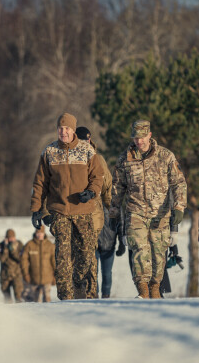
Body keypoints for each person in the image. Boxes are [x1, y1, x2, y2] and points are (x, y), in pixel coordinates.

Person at [30, 113, 103, 300]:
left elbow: (97, 177)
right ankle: (65, 297)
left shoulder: (87, 151)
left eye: (67, 129)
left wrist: (91, 192)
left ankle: (78, 281)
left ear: (73, 130)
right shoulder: (49, 152)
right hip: (59, 211)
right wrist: (37, 209)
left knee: (86, 253)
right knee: (63, 256)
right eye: (60, 129)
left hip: (83, 210)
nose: (63, 132)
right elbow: (40, 183)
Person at [111, 120, 187, 299]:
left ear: (150, 135)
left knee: (159, 253)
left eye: (142, 137)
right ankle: (143, 289)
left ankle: (155, 287)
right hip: (135, 212)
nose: (139, 141)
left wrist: (179, 206)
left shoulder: (165, 156)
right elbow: (117, 187)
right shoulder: (125, 158)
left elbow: (178, 183)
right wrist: (114, 212)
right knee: (139, 250)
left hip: (160, 213)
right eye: (136, 138)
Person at [75, 126, 121, 299]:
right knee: (82, 262)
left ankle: (94, 297)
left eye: (87, 140)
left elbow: (108, 187)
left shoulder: (98, 159)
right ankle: (83, 295)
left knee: (95, 264)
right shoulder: (70, 158)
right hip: (76, 217)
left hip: (96, 218)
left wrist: (114, 212)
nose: (85, 143)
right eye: (81, 140)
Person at [21, 225, 56, 302]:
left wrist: (55, 276)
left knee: (47, 300)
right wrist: (25, 274)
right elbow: (24, 261)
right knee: (35, 302)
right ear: (35, 233)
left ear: (44, 233)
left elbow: (54, 262)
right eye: (38, 233)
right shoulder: (29, 245)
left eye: (41, 233)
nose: (39, 235)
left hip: (47, 278)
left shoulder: (50, 246)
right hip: (33, 279)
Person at [0, 229, 24, 303]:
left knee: (18, 297)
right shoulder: (1, 245)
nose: (10, 239)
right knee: (7, 299)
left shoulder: (19, 244)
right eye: (9, 238)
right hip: (5, 275)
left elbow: (20, 259)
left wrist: (13, 250)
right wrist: (6, 248)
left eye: (12, 237)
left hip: (17, 274)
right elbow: (2, 259)